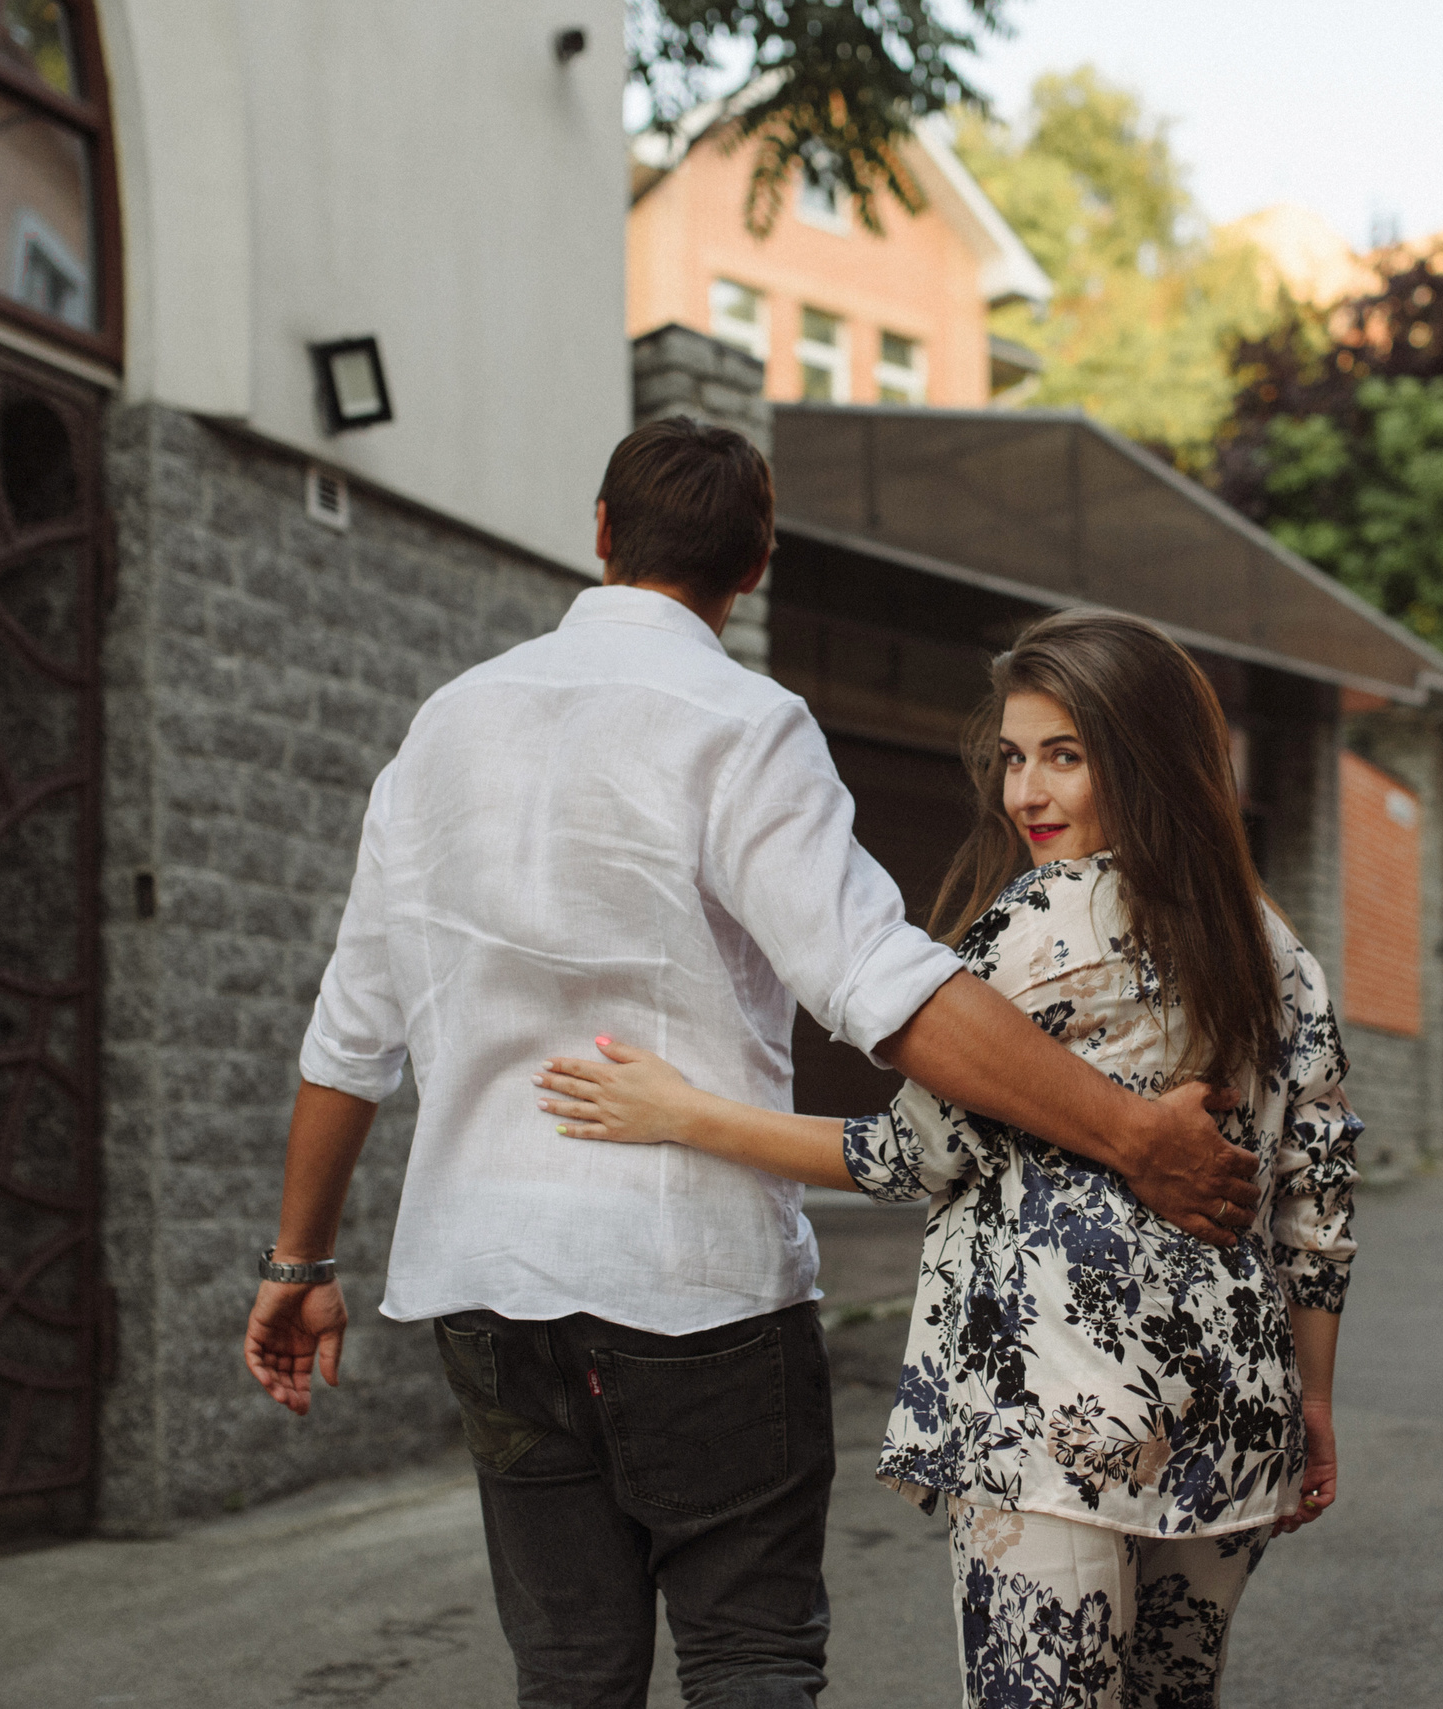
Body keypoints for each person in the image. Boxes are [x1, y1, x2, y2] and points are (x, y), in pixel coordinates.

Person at [241, 419, 1259, 1709]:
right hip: (695, 1288)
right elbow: (880, 985)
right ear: (758, 561)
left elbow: (350, 1031)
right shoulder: (742, 721)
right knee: (749, 1659)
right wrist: (1129, 1131)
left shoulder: (444, 727)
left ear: (600, 531)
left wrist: (299, 1264)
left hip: (489, 1287)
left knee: (566, 1671)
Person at [539, 609, 1361, 1709]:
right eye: (1017, 758)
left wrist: (681, 1110)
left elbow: (903, 1154)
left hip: (1059, 1414)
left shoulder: (1044, 922)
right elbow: (1316, 1205)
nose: (1028, 793)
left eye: (1066, 757)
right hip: (1235, 1411)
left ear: (1145, 758)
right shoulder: (1279, 951)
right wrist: (1313, 1398)